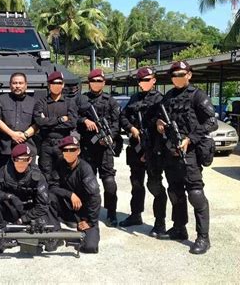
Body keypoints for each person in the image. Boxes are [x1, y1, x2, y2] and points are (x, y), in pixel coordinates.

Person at [156, 61, 217, 254]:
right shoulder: (168, 96)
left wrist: (190, 138)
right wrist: (159, 123)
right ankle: (179, 228)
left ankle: (203, 238)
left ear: (189, 75)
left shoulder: (198, 96)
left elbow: (212, 122)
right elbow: (162, 118)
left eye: (181, 74)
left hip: (189, 152)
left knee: (195, 194)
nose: (177, 78)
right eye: (174, 75)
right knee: (175, 192)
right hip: (171, 151)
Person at [0, 143, 59, 253]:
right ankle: (0, 234)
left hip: (29, 212)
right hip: (11, 209)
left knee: (49, 244)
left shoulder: (37, 176)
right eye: (19, 160)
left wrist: (24, 219)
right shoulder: (3, 172)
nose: (22, 163)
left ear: (30, 160)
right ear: (13, 159)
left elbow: (42, 205)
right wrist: (8, 196)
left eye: (26, 160)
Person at [119, 67, 167, 237]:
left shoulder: (161, 100)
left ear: (154, 80)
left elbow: (166, 125)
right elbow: (122, 117)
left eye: (147, 79)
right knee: (136, 184)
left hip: (154, 149)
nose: (143, 83)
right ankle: (135, 215)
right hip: (136, 148)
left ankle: (160, 223)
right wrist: (132, 129)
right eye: (141, 80)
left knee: (155, 186)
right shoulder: (134, 98)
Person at [77, 69, 120, 227]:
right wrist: (84, 120)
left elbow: (116, 123)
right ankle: (89, 212)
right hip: (88, 147)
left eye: (99, 81)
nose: (96, 83)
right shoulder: (82, 100)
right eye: (93, 81)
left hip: (104, 148)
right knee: (88, 182)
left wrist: (109, 137)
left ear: (104, 82)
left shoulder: (111, 101)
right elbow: (74, 115)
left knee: (109, 182)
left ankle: (111, 213)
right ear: (89, 83)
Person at [48, 136, 101, 254]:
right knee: (49, 197)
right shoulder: (59, 164)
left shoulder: (85, 168)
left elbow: (95, 197)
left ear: (78, 151)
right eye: (66, 150)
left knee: (90, 247)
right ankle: (55, 234)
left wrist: (90, 221)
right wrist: (70, 194)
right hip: (67, 206)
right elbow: (52, 187)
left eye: (72, 150)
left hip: (84, 212)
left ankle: (73, 232)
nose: (69, 153)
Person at [33, 71, 77, 180]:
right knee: (45, 175)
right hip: (46, 143)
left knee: (64, 174)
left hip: (63, 143)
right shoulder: (41, 102)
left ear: (62, 85)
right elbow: (39, 121)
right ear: (48, 85)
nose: (56, 85)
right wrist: (61, 119)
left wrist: (47, 122)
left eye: (58, 83)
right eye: (53, 83)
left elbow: (72, 123)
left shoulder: (69, 102)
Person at [0, 72, 38, 168]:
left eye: (20, 83)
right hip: (5, 148)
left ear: (26, 85)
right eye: (14, 83)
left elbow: (37, 123)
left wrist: (25, 135)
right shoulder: (1, 100)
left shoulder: (33, 102)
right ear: (10, 85)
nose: (17, 86)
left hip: (27, 147)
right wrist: (12, 134)